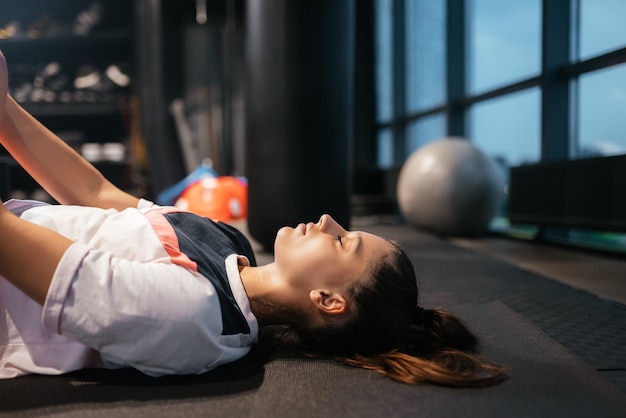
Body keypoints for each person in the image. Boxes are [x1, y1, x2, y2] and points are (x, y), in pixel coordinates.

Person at [0, 51, 507, 387]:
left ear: (329, 301)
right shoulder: (224, 240)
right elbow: (96, 193)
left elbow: (47, 268)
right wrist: (4, 108)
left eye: (344, 241)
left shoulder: (197, 318)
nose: (329, 220)